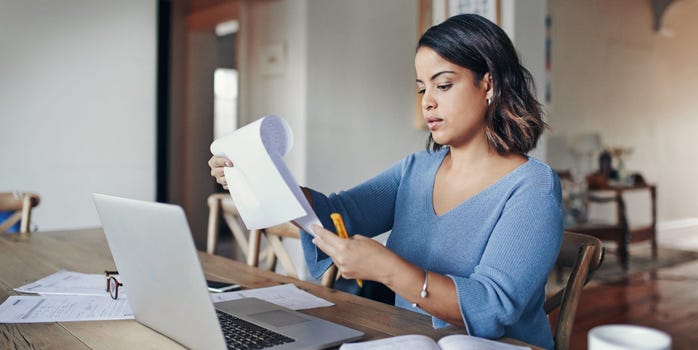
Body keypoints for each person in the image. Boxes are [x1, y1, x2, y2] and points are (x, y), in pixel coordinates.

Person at [209, 14, 562, 349]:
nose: (429, 102)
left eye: (444, 84)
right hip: (410, 339)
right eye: (422, 89)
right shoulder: (416, 170)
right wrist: (260, 178)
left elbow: (494, 306)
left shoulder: (532, 187)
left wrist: (389, 270)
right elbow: (339, 213)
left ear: (489, 84)